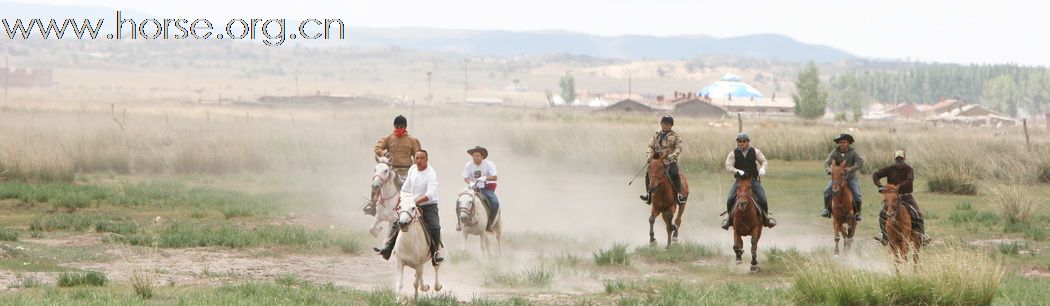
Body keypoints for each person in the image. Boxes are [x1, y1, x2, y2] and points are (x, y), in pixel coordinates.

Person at [373, 150, 444, 264]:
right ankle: (387, 248)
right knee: (398, 222)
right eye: (417, 158)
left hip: (428, 205)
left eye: (422, 158)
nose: (419, 161)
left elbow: (430, 194)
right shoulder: (412, 169)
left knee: (435, 227)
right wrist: (402, 200)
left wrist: (415, 201)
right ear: (414, 159)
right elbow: (405, 188)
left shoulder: (430, 173)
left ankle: (436, 253)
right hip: (411, 203)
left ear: (427, 159)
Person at [365, 115, 422, 216]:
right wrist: (384, 154)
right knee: (376, 182)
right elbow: (377, 149)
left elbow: (418, 155)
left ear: (405, 127)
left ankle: (416, 208)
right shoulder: (388, 138)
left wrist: (415, 169)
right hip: (392, 170)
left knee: (413, 188)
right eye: (397, 126)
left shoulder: (412, 140)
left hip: (406, 171)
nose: (399, 129)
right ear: (394, 126)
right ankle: (372, 204)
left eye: (401, 127)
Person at [873, 150, 929, 245]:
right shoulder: (890, 169)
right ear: (895, 159)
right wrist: (879, 185)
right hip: (892, 197)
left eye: (901, 159)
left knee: (917, 213)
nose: (899, 161)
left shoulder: (908, 169)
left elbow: (909, 179)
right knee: (882, 213)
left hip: (906, 196)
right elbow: (876, 175)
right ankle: (884, 235)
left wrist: (899, 186)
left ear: (904, 159)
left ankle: (922, 236)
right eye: (897, 159)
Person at [722, 132, 776, 229]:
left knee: (763, 199)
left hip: (753, 181)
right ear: (737, 142)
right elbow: (728, 166)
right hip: (740, 181)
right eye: (740, 141)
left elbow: (764, 161)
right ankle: (729, 220)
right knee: (730, 198)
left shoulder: (755, 151)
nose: (742, 143)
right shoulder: (733, 154)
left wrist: (763, 168)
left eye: (744, 141)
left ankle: (766, 219)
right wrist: (737, 171)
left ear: (748, 142)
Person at [639, 115, 686, 205]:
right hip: (656, 161)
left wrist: (672, 156)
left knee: (675, 174)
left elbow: (679, 148)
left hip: (669, 161)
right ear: (661, 124)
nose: (665, 126)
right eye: (664, 124)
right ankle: (648, 195)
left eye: (668, 124)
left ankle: (679, 196)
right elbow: (650, 146)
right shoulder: (656, 134)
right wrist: (649, 157)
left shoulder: (676, 136)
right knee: (647, 174)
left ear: (671, 125)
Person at [822, 133, 865, 221]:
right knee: (827, 191)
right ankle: (826, 210)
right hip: (837, 178)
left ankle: (858, 213)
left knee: (857, 194)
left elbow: (860, 162)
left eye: (844, 142)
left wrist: (851, 168)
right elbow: (826, 163)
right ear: (839, 143)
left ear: (848, 143)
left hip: (850, 177)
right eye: (841, 142)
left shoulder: (853, 152)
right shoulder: (835, 151)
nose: (842, 144)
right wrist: (829, 170)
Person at [461, 146, 500, 232]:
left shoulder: (489, 164)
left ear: (482, 156)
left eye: (477, 155)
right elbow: (465, 177)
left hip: (486, 188)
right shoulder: (468, 165)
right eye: (474, 156)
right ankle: (460, 223)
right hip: (473, 187)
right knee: (461, 199)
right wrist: (470, 182)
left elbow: (495, 177)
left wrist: (485, 177)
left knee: (495, 202)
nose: (475, 157)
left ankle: (490, 224)